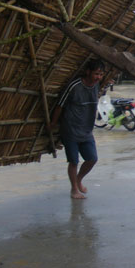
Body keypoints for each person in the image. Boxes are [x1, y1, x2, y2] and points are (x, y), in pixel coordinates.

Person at [49, 59, 105, 199]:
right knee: (73, 161)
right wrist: (52, 124)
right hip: (70, 129)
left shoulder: (97, 86)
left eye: (101, 74)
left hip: (86, 130)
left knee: (92, 159)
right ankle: (74, 189)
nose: (98, 77)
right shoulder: (74, 86)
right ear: (88, 72)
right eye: (96, 73)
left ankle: (78, 180)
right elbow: (60, 105)